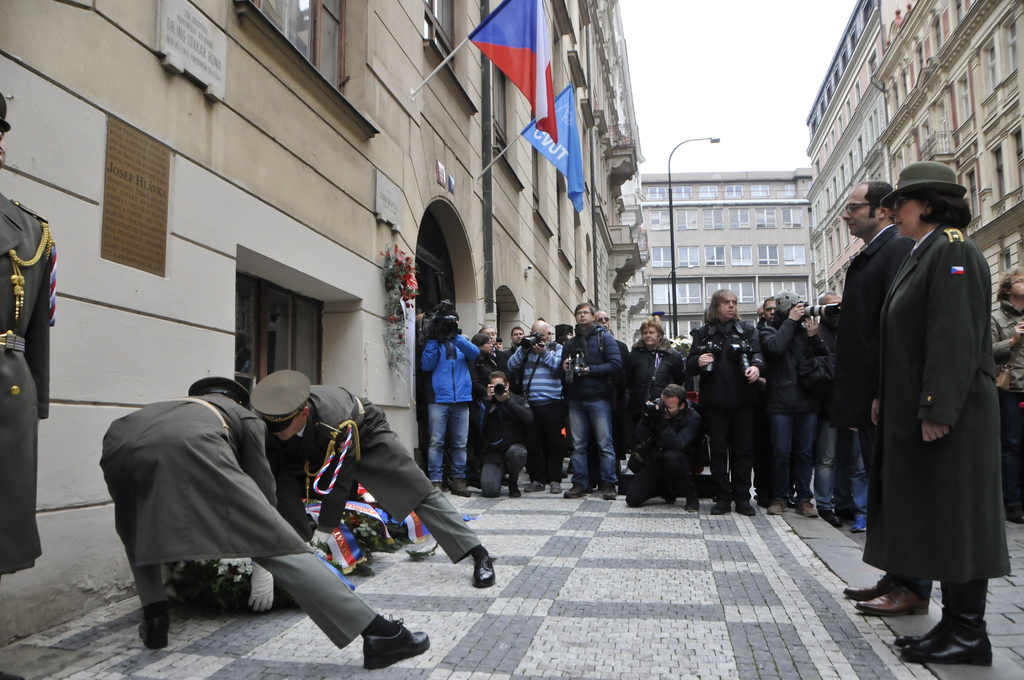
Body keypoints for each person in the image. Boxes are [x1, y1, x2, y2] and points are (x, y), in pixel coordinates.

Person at [100, 377, 429, 670]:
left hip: (118, 439)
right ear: (239, 401)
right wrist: (265, 558)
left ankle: (155, 620)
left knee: (136, 527)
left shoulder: (168, 408)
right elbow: (263, 494)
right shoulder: (242, 416)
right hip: (194, 442)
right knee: (279, 542)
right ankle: (380, 633)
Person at [865, 161, 1009, 665]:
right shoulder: (925, 252)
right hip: (928, 408)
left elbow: (954, 338)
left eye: (899, 203)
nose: (892, 212)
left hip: (955, 412)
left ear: (926, 203)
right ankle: (954, 626)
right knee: (942, 517)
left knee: (958, 519)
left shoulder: (952, 249)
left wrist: (936, 407)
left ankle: (969, 632)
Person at [251, 370, 497, 589]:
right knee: (283, 486)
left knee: (417, 489)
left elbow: (340, 482)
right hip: (316, 443)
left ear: (303, 413)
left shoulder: (335, 422)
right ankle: (302, 557)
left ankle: (478, 554)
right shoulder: (273, 426)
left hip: (364, 430)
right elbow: (278, 485)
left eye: (282, 428)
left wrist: (324, 532)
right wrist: (298, 548)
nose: (277, 434)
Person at [832, 181, 931, 618]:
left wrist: (877, 391)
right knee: (883, 490)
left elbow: (895, 328)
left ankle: (911, 585)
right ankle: (894, 577)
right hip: (870, 396)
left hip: (886, 396)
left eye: (854, 208)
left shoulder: (895, 252)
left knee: (900, 491)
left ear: (883, 211)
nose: (846, 216)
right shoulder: (874, 254)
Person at [0, 91, 57, 680]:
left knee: (1, 523)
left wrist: (38, 393)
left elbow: (38, 325)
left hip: (8, 395)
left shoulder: (30, 229)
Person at [686, 289, 764, 516]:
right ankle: (722, 497)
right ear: (715, 306)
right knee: (718, 451)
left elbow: (759, 355)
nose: (731, 306)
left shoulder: (747, 330)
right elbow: (689, 365)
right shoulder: (703, 333)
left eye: (734, 302)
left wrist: (756, 367)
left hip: (744, 400)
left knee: (743, 450)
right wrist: (697, 360)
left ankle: (742, 497)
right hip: (716, 401)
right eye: (726, 302)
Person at [759, 290, 828, 518]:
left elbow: (824, 357)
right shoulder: (769, 329)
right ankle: (779, 497)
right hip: (780, 401)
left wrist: (814, 336)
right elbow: (774, 349)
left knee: (805, 453)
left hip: (807, 401)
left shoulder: (804, 330)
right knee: (780, 452)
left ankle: (804, 499)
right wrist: (790, 321)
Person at [808, 292, 868, 530]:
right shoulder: (815, 332)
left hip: (854, 405)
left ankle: (858, 508)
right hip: (828, 406)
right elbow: (817, 369)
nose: (839, 311)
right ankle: (824, 505)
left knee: (857, 462)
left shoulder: (855, 329)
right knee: (827, 458)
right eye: (833, 307)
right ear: (822, 309)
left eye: (842, 305)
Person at [561, 302, 622, 500]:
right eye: (579, 313)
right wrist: (564, 367)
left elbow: (615, 364)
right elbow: (561, 373)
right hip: (576, 399)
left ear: (593, 316)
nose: (582, 316)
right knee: (578, 446)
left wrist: (590, 370)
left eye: (586, 313)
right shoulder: (570, 343)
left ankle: (608, 483)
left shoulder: (604, 338)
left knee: (605, 444)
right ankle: (580, 483)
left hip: (598, 398)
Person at [420, 303, 480, 496]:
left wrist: (456, 337)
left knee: (460, 443)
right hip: (439, 399)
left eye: (453, 322)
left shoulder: (463, 340)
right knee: (436, 441)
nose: (450, 325)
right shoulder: (435, 342)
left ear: (458, 322)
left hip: (461, 400)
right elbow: (427, 366)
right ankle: (436, 480)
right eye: (447, 323)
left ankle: (458, 480)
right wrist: (432, 339)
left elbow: (475, 354)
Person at [507, 320, 565, 494]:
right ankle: (537, 479)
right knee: (534, 444)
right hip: (531, 404)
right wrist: (524, 348)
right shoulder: (525, 350)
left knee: (555, 443)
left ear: (548, 334)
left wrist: (544, 353)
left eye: (541, 334)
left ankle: (554, 479)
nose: (538, 337)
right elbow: (511, 366)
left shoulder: (557, 348)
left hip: (553, 402)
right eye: (534, 333)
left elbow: (560, 367)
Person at [627, 384, 702, 510]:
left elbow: (678, 444)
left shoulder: (693, 417)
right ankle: (662, 488)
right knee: (632, 500)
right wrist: (646, 420)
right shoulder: (657, 410)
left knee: (671, 457)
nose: (664, 409)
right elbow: (639, 436)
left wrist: (660, 421)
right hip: (656, 458)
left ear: (682, 405)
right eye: (663, 404)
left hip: (680, 460)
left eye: (669, 407)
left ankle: (691, 494)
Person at [991, 270, 1024, 523]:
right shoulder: (996, 316)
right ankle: (1012, 502)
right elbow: (985, 351)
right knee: (1011, 446)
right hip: (1011, 390)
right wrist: (1012, 340)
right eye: (1020, 280)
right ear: (1007, 289)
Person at [475, 371, 532, 498]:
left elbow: (528, 419)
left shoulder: (517, 399)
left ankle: (513, 481)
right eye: (494, 387)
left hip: (513, 447)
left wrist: (508, 401)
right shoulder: (486, 402)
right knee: (489, 491)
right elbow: (477, 425)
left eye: (500, 386)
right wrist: (488, 401)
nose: (498, 390)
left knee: (518, 453)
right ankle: (499, 476)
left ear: (507, 385)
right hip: (493, 452)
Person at [626, 316, 686, 425]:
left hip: (664, 407)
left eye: (651, 332)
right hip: (638, 406)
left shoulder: (672, 355)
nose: (648, 335)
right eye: (645, 333)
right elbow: (628, 378)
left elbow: (679, 379)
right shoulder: (634, 354)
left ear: (659, 334)